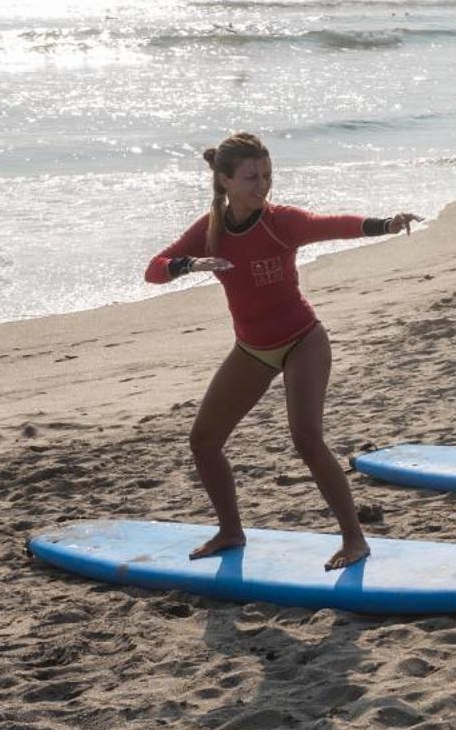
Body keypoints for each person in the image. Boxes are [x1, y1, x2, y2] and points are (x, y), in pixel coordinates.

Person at [145, 133, 421, 569]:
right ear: (224, 181)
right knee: (203, 440)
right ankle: (231, 530)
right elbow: (153, 271)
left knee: (306, 438)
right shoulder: (210, 230)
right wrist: (186, 265)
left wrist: (383, 224)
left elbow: (328, 225)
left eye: (268, 175)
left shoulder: (279, 221)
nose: (263, 186)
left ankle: (355, 538)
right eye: (252, 177)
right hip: (253, 349)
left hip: (303, 341)